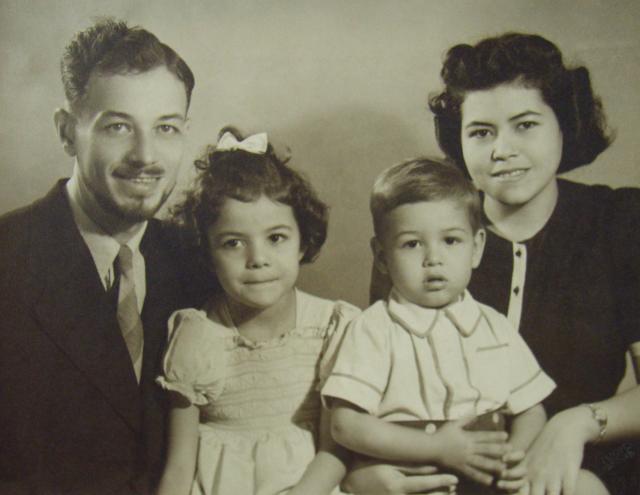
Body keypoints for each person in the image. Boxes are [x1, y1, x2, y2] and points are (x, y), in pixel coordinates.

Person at [364, 32, 640, 495]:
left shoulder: (619, 222)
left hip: (585, 464)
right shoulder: (421, 234)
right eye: (481, 132)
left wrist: (576, 425)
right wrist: (367, 473)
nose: (501, 149)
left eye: (525, 124)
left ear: (564, 126)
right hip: (445, 471)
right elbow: (379, 388)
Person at [0, 19, 209, 494]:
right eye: (118, 126)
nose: (146, 156)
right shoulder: (8, 259)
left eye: (166, 128)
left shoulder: (200, 261)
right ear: (67, 132)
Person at [323, 158, 556, 494]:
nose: (433, 258)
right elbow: (346, 426)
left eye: (450, 241)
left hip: (488, 477)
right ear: (382, 257)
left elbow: (531, 410)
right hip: (410, 479)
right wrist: (437, 448)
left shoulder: (494, 326)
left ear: (476, 248)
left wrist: (514, 455)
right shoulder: (373, 328)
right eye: (412, 244)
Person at [155, 128, 360, 495]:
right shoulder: (196, 335)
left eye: (276, 238)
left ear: (302, 241)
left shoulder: (333, 326)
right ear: (206, 252)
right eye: (233, 243)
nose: (258, 260)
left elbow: (336, 449)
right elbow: (179, 466)